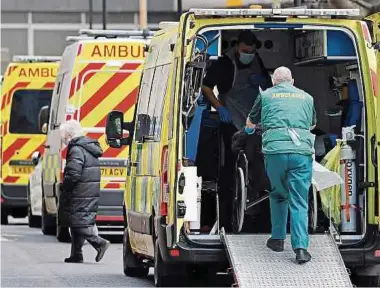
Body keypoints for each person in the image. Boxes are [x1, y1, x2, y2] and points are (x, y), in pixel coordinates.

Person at [201, 30, 272, 231]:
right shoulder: (225, 64)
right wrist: (218, 107)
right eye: (244, 51)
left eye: (251, 51)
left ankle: (256, 209)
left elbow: (267, 86)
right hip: (230, 119)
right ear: (237, 47)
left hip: (252, 120)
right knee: (231, 167)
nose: (248, 54)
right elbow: (206, 87)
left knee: (257, 163)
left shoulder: (257, 61)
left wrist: (263, 82)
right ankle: (227, 215)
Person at [246, 67, 317, 264]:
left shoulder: (266, 95)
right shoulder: (307, 97)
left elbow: (250, 123)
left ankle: (277, 239)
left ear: (273, 81)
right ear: (292, 81)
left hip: (275, 152)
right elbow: (311, 124)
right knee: (299, 199)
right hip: (300, 153)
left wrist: (248, 130)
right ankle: (301, 248)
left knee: (278, 193)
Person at [59, 120, 110, 263]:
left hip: (79, 191)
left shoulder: (76, 149)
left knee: (77, 222)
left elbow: (73, 173)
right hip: (87, 189)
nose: (63, 139)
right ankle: (76, 254)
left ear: (69, 134)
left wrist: (65, 186)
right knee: (76, 220)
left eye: (63, 136)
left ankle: (100, 243)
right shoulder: (86, 147)